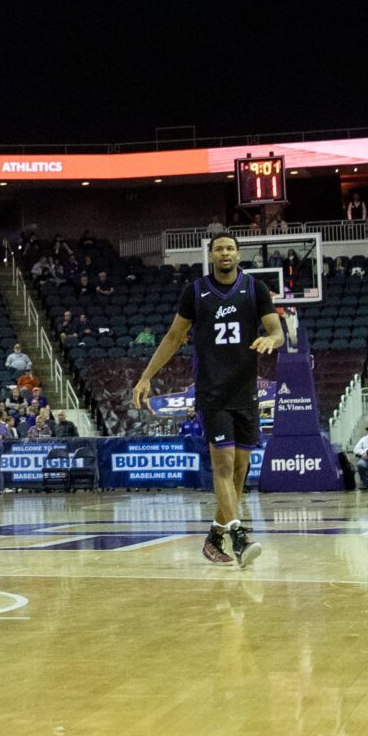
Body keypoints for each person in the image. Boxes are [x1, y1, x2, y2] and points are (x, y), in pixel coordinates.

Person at [129, 235, 285, 567]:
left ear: (238, 254)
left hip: (245, 393)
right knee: (224, 467)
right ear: (211, 255)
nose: (225, 253)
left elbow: (277, 331)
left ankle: (214, 539)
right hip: (212, 393)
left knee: (240, 471)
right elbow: (173, 337)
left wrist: (271, 338)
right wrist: (146, 376)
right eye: (219, 249)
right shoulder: (195, 292)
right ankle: (239, 537)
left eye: (230, 248)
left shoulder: (255, 289)